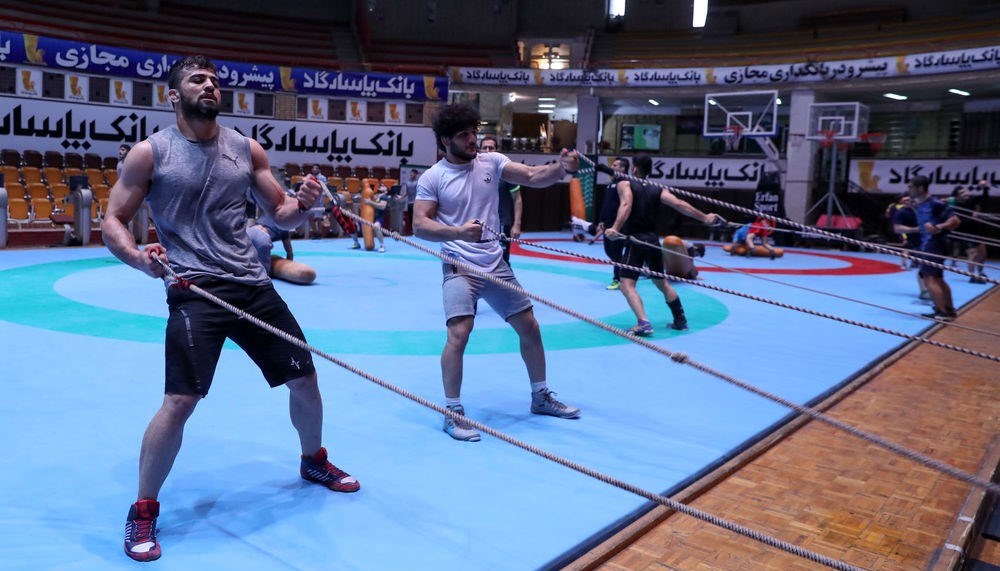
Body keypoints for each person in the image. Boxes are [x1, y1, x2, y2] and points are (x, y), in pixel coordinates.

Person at [101, 56, 359, 563]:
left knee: (305, 379)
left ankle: (313, 460)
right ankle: (143, 509)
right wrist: (137, 258)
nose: (210, 86)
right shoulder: (150, 153)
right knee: (181, 400)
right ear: (173, 95)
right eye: (197, 80)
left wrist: (305, 203)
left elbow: (280, 213)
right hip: (195, 288)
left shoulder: (246, 148)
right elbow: (114, 218)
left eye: (215, 81)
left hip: (251, 284)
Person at [413, 104, 581, 443]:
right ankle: (452, 411)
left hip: (495, 264)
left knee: (530, 327)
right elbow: (419, 225)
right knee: (459, 333)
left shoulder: (491, 162)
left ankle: (540, 396)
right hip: (459, 266)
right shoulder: (433, 177)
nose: (472, 139)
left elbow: (532, 176)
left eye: (473, 132)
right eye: (464, 135)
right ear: (445, 140)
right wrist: (459, 232)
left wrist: (561, 168)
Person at [604, 154, 723, 336]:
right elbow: (680, 204)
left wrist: (615, 228)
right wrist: (705, 217)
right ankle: (680, 321)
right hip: (653, 241)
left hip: (636, 240)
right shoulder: (658, 188)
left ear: (634, 168)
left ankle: (643, 323)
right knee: (662, 283)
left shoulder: (625, 184)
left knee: (626, 284)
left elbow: (626, 204)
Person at [907, 175, 961, 321]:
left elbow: (955, 221)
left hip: (935, 243)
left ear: (920, 188)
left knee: (929, 279)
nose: (908, 190)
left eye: (911, 187)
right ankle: (949, 310)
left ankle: (941, 312)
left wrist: (938, 226)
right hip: (929, 244)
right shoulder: (920, 203)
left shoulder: (935, 203)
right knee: (938, 278)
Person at [571, 157, 629, 290]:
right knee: (610, 252)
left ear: (623, 169)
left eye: (615, 165)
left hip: (618, 226)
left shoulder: (624, 183)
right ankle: (629, 267)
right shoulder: (610, 184)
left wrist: (603, 168)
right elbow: (607, 205)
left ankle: (618, 279)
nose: (612, 167)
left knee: (616, 252)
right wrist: (602, 221)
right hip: (607, 225)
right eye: (612, 165)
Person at [479, 136, 522, 264]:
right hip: (480, 224)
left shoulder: (506, 172)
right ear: (479, 150)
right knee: (480, 260)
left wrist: (517, 224)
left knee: (502, 260)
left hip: (502, 223)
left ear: (497, 150)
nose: (488, 151)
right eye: (484, 148)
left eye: (491, 148)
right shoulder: (473, 171)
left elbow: (517, 199)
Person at [890, 194, 930, 300]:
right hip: (916, 241)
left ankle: (930, 288)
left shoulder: (924, 209)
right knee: (923, 265)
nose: (908, 201)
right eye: (905, 200)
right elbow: (897, 229)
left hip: (930, 240)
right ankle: (924, 290)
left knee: (931, 266)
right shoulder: (901, 212)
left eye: (909, 199)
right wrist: (916, 229)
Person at [401, 168, 419, 234]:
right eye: (411, 173)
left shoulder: (418, 182)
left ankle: (416, 231)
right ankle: (412, 231)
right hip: (409, 203)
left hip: (416, 202)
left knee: (415, 217)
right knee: (410, 217)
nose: (411, 174)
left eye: (413, 173)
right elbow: (407, 192)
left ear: (416, 174)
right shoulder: (407, 182)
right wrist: (401, 197)